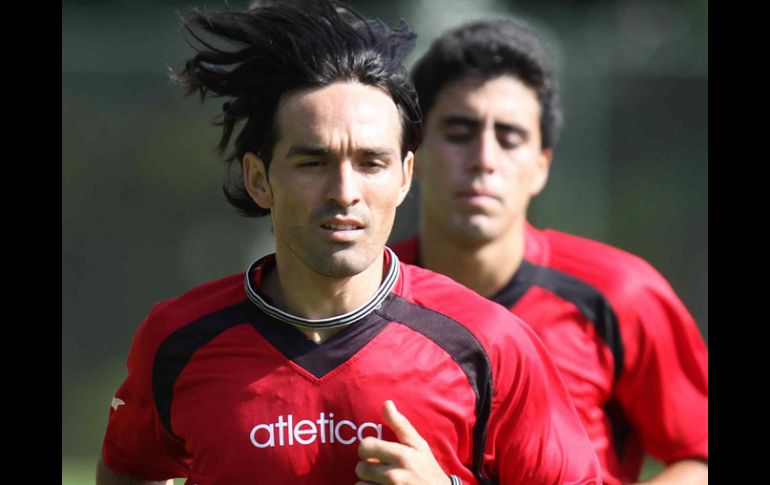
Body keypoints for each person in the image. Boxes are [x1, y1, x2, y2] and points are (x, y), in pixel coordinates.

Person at [96, 1, 602, 484]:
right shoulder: (177, 340)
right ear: (258, 179)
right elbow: (131, 468)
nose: (344, 193)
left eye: (370, 163)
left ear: (405, 177)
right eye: (313, 162)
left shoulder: (491, 345)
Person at [392, 18, 708, 485]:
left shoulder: (618, 294)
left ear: (541, 166)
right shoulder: (368, 296)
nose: (484, 157)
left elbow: (699, 456)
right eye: (460, 131)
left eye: (510, 137)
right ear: (411, 156)